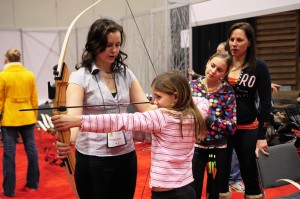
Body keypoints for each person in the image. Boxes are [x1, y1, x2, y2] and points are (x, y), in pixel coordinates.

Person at [52, 70, 209, 199]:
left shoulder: (161, 117)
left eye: (158, 97)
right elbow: (204, 102)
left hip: (166, 195)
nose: (154, 102)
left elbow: (118, 121)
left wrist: (76, 121)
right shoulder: (195, 115)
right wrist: (183, 101)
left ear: (175, 96)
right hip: (188, 189)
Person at [55, 18, 156, 199]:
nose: (114, 50)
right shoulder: (80, 77)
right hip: (94, 159)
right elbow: (74, 119)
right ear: (95, 44)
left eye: (118, 45)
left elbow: (146, 108)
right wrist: (66, 140)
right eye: (108, 45)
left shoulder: (125, 73)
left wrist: (173, 111)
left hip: (126, 156)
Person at [224, 22, 272, 199]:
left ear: (249, 42)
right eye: (231, 39)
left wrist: (261, 136)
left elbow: (266, 103)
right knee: (218, 173)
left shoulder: (259, 66)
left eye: (239, 40)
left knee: (250, 175)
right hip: (222, 129)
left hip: (248, 129)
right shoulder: (223, 63)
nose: (234, 44)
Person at [190, 52, 237, 199]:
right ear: (207, 62)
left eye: (219, 70)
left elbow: (231, 126)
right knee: (194, 187)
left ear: (225, 73)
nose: (213, 71)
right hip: (195, 148)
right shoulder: (192, 86)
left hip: (215, 151)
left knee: (213, 187)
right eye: (212, 65)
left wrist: (208, 119)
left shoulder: (227, 92)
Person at [0, 48, 39, 197]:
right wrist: (34, 116)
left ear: (6, 59)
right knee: (32, 150)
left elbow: (0, 100)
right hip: (28, 116)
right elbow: (34, 99)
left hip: (9, 119)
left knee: (9, 154)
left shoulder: (2, 76)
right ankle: (33, 183)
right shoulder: (29, 75)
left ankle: (9, 190)